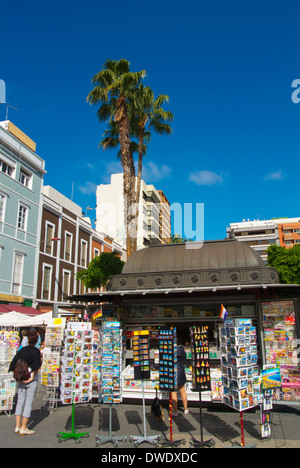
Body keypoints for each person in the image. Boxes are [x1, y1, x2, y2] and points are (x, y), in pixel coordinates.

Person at [9, 330, 41, 436]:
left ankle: (17, 426)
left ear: (27, 340)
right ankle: (24, 427)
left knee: (20, 401)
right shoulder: (36, 351)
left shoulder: (22, 350)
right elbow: (36, 367)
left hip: (21, 378)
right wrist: (31, 378)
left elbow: (13, 364)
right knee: (28, 403)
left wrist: (18, 375)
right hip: (31, 379)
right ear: (36, 340)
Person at [171, 341, 189, 416]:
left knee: (173, 392)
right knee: (183, 391)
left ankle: (175, 411)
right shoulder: (181, 348)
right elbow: (184, 359)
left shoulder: (170, 348)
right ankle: (185, 409)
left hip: (173, 371)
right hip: (181, 370)